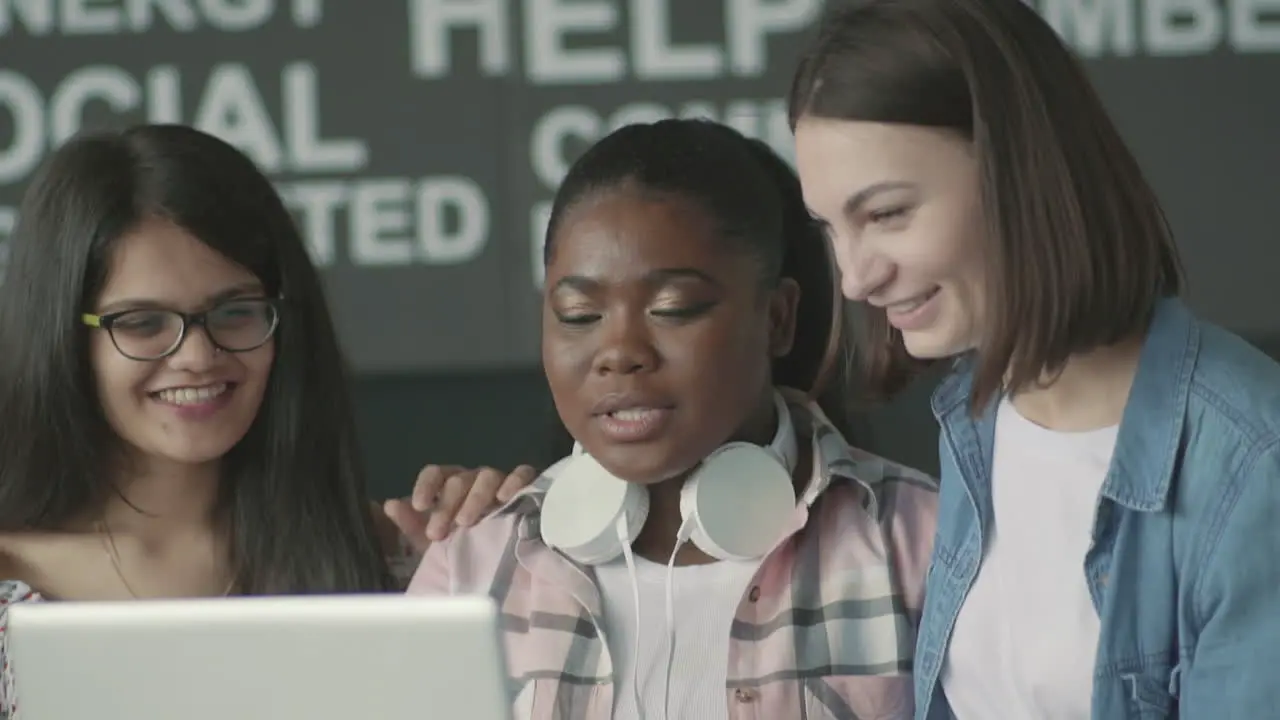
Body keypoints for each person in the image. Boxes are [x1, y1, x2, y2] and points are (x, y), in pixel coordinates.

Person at [788, 1, 1280, 718]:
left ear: (1020, 172)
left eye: (887, 213)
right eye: (831, 227)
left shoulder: (1250, 465)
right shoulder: (978, 418)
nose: (856, 278)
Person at [407, 118, 938, 720]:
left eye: (673, 308)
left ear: (777, 319)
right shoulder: (470, 570)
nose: (619, 352)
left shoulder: (920, 543)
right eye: (579, 315)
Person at [0, 124, 534, 716]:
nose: (198, 356)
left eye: (235, 311)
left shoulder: (395, 554)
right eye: (142, 323)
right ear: (62, 339)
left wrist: (496, 540)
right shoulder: (12, 579)